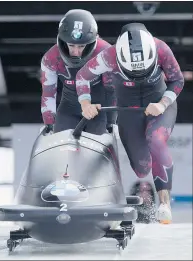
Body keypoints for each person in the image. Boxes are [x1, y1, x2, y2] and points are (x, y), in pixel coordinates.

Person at [75, 23, 184, 224]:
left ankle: (164, 204)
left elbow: (177, 80)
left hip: (158, 105)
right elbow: (82, 76)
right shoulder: (109, 56)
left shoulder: (161, 49)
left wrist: (163, 103)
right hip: (128, 109)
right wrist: (85, 103)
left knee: (156, 141)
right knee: (142, 169)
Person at [40, 9, 116, 135]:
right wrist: (49, 122)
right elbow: (48, 93)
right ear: (63, 42)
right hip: (68, 108)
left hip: (97, 110)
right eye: (71, 45)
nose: (76, 52)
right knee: (61, 144)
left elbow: (111, 90)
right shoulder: (50, 59)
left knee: (97, 142)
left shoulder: (106, 53)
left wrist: (111, 121)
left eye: (81, 46)